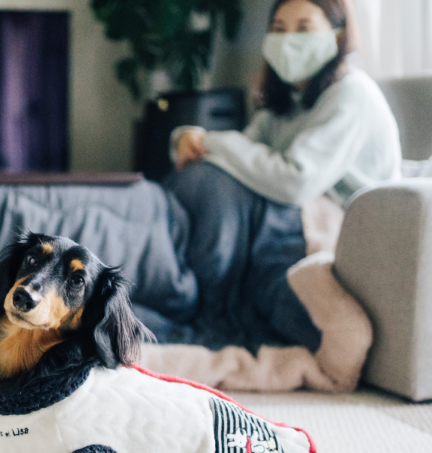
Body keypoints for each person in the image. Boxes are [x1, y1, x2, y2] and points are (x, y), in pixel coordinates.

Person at [153, 0, 401, 352]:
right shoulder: (290, 103)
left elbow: (293, 180)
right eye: (279, 29)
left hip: (334, 229)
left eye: (303, 28)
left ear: (337, 34)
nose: (288, 40)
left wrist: (212, 142)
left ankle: (207, 309)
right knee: (210, 179)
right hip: (289, 221)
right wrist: (188, 140)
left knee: (217, 188)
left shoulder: (352, 95)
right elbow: (242, 154)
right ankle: (184, 296)